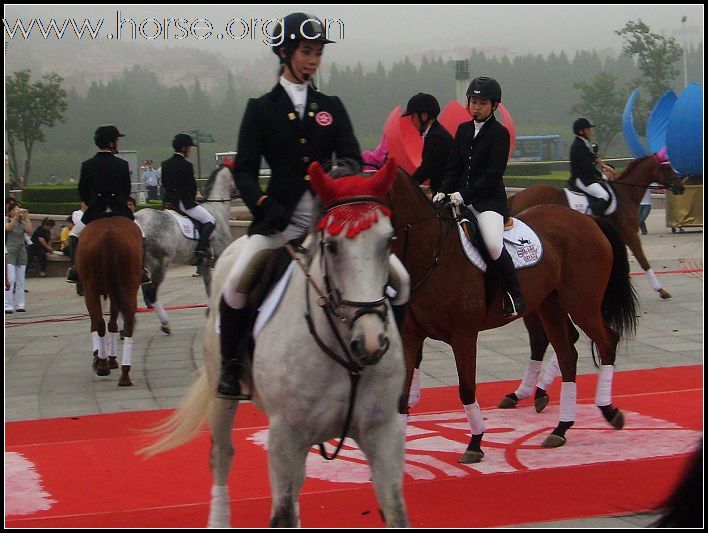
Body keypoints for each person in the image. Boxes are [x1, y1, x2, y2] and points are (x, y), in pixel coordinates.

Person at [216, 12, 409, 398]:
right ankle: (231, 366)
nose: (314, 60)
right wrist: (261, 203)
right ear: (285, 52)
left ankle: (393, 359)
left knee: (400, 280)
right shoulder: (261, 109)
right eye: (307, 52)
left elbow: (353, 158)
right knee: (236, 285)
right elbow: (246, 170)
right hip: (281, 222)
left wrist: (343, 175)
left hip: (334, 224)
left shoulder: (331, 106)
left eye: (318, 53)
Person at [435, 76, 525, 317]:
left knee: (494, 245)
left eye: (482, 103)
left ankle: (514, 293)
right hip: (458, 199)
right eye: (473, 101)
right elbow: (454, 167)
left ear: (494, 105)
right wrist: (442, 191)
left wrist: (463, 195)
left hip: (488, 203)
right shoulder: (463, 130)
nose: (476, 106)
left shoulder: (500, 134)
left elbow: (493, 175)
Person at [67, 125, 150, 285]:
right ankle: (141, 269)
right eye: (117, 140)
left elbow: (82, 191)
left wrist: (92, 202)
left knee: (74, 235)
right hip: (118, 209)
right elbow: (126, 190)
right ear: (111, 143)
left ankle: (75, 268)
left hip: (95, 210)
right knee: (141, 233)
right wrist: (117, 200)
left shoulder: (88, 165)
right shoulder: (121, 164)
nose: (118, 143)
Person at [161, 133, 216, 266]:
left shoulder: (165, 164)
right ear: (184, 148)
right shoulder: (187, 165)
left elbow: (165, 183)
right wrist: (195, 197)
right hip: (183, 202)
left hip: (169, 202)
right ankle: (202, 249)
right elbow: (191, 186)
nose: (190, 150)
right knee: (210, 220)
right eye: (189, 148)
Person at [402, 92, 454, 195]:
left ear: (424, 116)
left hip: (447, 194)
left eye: (413, 117)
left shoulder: (436, 137)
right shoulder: (436, 133)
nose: (412, 121)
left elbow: (426, 169)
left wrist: (407, 185)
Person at [569, 117, 611, 216]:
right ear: (581, 131)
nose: (590, 131)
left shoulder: (582, 144)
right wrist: (602, 176)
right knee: (604, 196)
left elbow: (587, 157)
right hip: (582, 179)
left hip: (586, 178)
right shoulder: (579, 145)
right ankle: (593, 217)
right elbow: (587, 166)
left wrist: (594, 158)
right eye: (588, 129)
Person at [5, 198, 32, 313]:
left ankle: (20, 304)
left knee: (20, 280)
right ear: (10, 211)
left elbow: (29, 230)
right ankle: (8, 305)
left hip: (21, 251)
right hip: (10, 251)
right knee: (10, 279)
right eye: (15, 209)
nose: (17, 211)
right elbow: (8, 228)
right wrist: (15, 217)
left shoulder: (22, 222)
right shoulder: (7, 220)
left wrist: (26, 218)